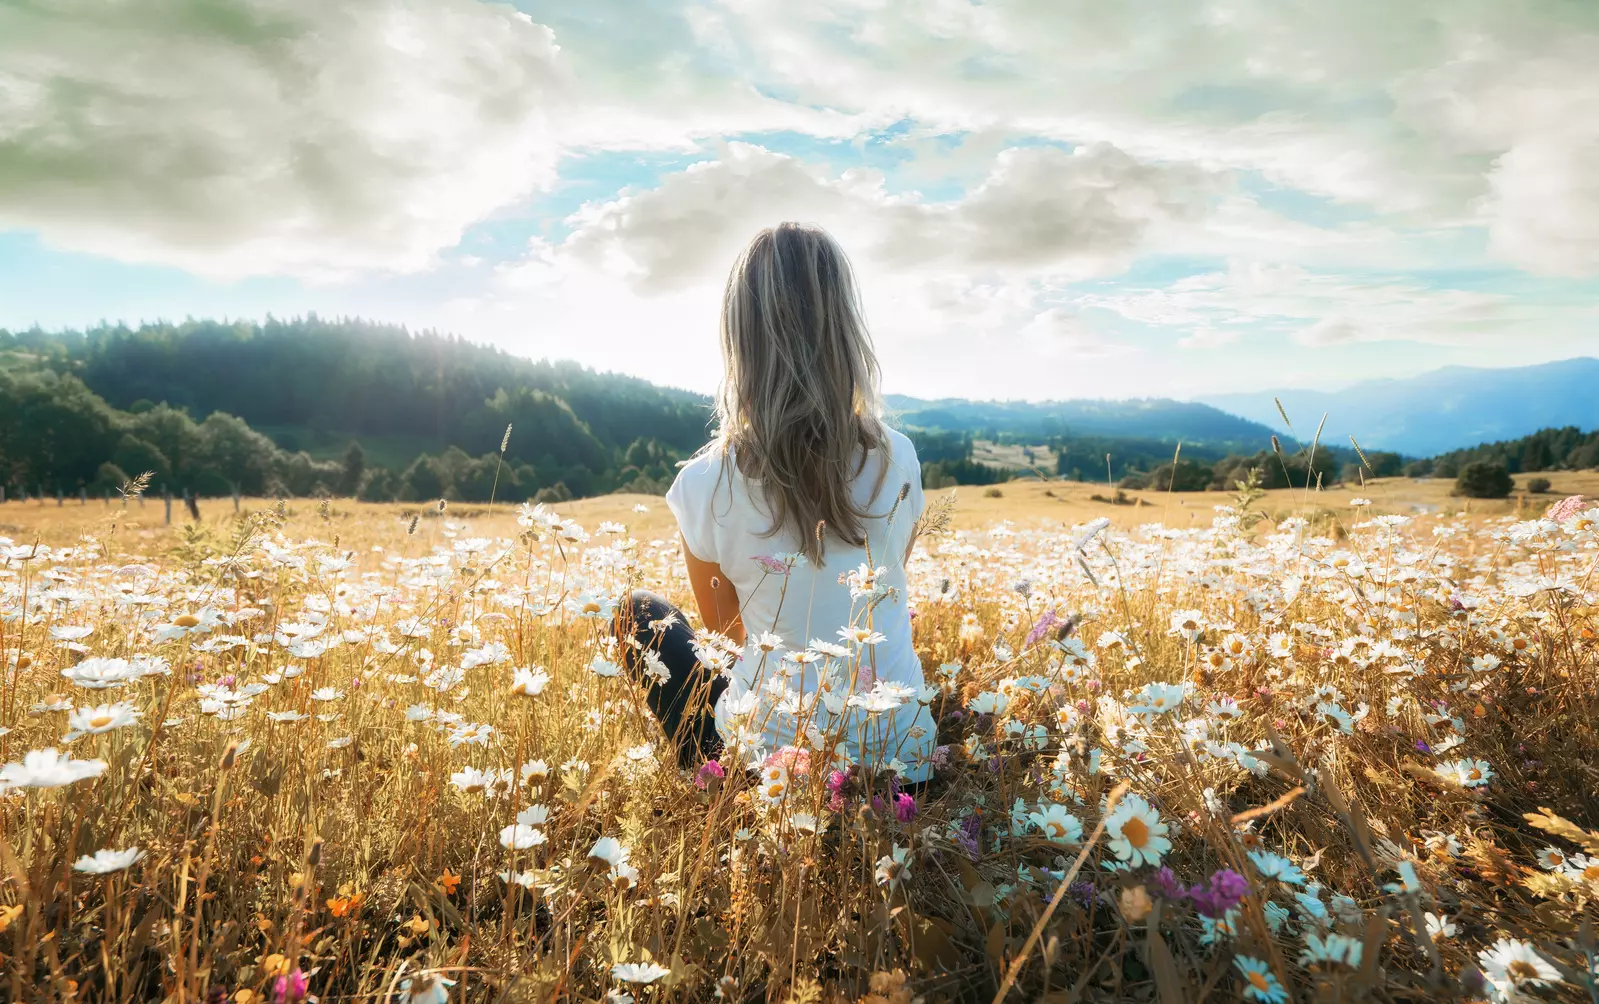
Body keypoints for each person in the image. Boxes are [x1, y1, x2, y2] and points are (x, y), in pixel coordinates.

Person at [614, 222, 934, 785]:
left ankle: (719, 767)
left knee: (637, 612)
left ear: (739, 341)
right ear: (846, 333)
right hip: (905, 758)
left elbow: (728, 635)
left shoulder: (704, 482)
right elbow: (884, 582)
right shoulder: (897, 457)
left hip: (767, 771)